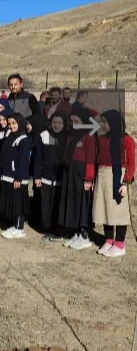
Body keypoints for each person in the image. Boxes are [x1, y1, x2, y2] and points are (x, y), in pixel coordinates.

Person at [93, 110, 135, 258]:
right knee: (106, 208)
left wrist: (125, 182)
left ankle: (119, 244)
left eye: (105, 122)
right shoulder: (102, 138)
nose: (102, 125)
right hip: (103, 176)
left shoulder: (127, 140)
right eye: (102, 122)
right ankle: (109, 240)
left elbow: (131, 163)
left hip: (118, 177)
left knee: (119, 211)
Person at [58, 108, 97, 250]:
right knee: (72, 202)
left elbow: (90, 159)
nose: (73, 123)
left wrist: (88, 178)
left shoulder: (89, 136)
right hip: (70, 172)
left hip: (82, 174)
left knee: (82, 203)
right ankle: (77, 232)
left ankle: (85, 234)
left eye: (77, 121)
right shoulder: (71, 136)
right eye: (71, 121)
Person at [34, 113, 68, 240]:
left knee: (58, 205)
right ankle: (47, 228)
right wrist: (37, 176)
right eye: (54, 122)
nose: (56, 125)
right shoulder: (43, 135)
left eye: (59, 123)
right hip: (46, 178)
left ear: (64, 124)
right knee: (46, 205)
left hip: (61, 179)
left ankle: (59, 229)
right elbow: (38, 157)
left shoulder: (67, 137)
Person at [0, 113, 31, 239]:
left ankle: (19, 228)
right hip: (9, 175)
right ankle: (14, 225)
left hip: (17, 178)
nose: (11, 126)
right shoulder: (10, 136)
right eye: (9, 124)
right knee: (12, 202)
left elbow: (23, 161)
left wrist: (19, 178)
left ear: (20, 123)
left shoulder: (23, 140)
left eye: (14, 123)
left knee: (18, 204)